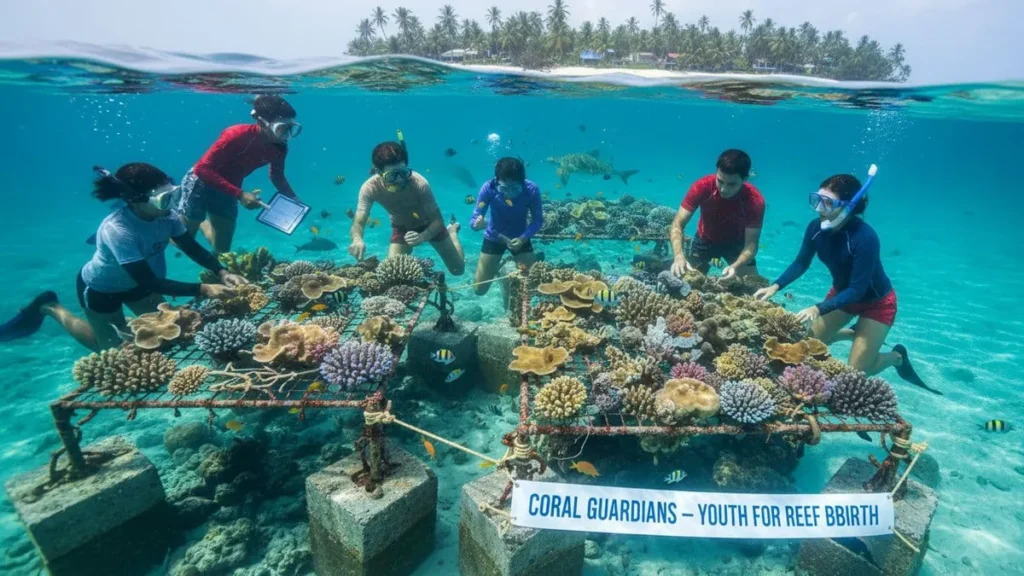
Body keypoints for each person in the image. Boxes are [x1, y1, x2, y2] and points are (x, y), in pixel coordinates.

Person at [0, 163, 245, 351]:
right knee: (110, 349)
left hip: (139, 285)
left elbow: (192, 248)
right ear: (135, 200)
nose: (170, 203)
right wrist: (204, 289)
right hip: (102, 289)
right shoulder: (118, 230)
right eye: (163, 198)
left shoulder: (166, 216)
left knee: (171, 333)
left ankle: (119, 322)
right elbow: (150, 282)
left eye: (173, 194)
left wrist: (222, 272)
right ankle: (51, 307)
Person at [753, 173, 937, 394]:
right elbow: (801, 263)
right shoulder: (814, 229)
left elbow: (858, 289)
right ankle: (855, 333)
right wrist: (775, 286)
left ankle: (896, 357)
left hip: (876, 304)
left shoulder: (865, 237)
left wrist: (817, 308)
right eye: (816, 200)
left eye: (827, 203)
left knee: (855, 374)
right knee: (808, 346)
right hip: (843, 295)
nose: (818, 208)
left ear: (849, 206)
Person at [173, 94, 301, 254]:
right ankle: (169, 211)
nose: (286, 136)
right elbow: (202, 169)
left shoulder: (280, 147)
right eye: (282, 129)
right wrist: (240, 195)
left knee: (222, 251)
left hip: (230, 188)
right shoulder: (235, 135)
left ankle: (202, 223)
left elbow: (277, 176)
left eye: (292, 129)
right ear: (261, 122)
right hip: (200, 183)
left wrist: (293, 199)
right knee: (184, 243)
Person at [348, 141, 465, 275]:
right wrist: (357, 239)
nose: (399, 180)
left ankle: (453, 231)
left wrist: (423, 236)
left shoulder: (420, 183)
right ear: (378, 172)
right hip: (401, 228)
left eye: (403, 173)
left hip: (430, 225)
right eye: (392, 176)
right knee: (393, 274)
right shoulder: (369, 188)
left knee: (458, 270)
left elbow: (437, 220)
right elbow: (359, 221)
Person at [670, 149, 765, 280]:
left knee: (752, 287)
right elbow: (677, 224)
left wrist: (735, 266)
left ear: (745, 179)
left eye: (731, 184)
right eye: (720, 181)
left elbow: (751, 244)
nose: (724, 189)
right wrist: (679, 256)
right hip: (705, 240)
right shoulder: (701, 186)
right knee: (686, 281)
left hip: (738, 243)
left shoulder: (755, 200)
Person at [469, 158, 543, 295]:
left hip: (519, 238)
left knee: (534, 286)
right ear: (497, 181)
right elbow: (474, 219)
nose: (508, 193)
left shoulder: (531, 189)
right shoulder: (488, 188)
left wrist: (523, 238)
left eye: (515, 188)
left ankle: (508, 265)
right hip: (493, 237)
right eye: (503, 188)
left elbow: (537, 221)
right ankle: (500, 269)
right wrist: (477, 224)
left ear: (523, 183)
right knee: (479, 290)